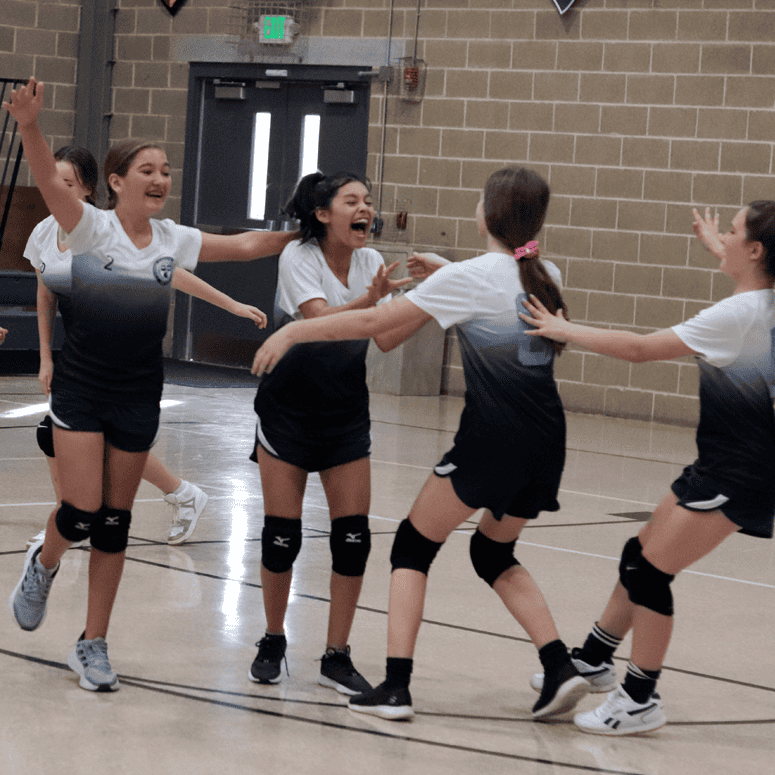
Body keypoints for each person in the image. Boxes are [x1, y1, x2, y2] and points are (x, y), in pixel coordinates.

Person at [252, 165, 589, 721]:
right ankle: (559, 667)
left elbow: (373, 329)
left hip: (490, 439)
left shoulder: (467, 279)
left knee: (411, 546)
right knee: (492, 551)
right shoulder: (547, 274)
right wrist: (446, 274)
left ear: (487, 214)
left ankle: (396, 687)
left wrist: (291, 329)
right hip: (547, 444)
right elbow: (497, 280)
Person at [4, 77, 296, 692]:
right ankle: (44, 561)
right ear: (116, 181)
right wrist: (29, 123)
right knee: (80, 512)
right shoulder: (89, 228)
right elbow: (45, 176)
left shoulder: (173, 240)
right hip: (82, 388)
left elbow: (244, 245)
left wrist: (302, 234)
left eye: (166, 170)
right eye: (147, 169)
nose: (160, 178)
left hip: (139, 391)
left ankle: (93, 644)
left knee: (115, 522)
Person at [518, 202, 775, 735]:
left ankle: (639, 698)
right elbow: (749, 269)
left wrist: (562, 329)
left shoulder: (737, 316)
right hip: (727, 461)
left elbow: (639, 350)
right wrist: (716, 243)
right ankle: (594, 657)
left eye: (731, 232)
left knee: (649, 572)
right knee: (639, 555)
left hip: (738, 471)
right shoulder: (762, 300)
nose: (721, 238)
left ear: (755, 250)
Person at [25, 145, 269, 546]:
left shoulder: (104, 230)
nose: (59, 190)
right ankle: (162, 498)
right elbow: (44, 297)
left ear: (87, 188)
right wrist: (45, 357)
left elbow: (172, 272)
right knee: (63, 435)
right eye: (55, 182)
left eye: (68, 183)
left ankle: (84, 517)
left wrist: (232, 305)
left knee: (84, 437)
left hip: (119, 355)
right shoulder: (44, 232)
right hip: (77, 350)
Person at [247, 171, 412, 695]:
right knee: (282, 538)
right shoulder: (299, 257)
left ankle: (336, 655)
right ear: (323, 214)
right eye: (352, 200)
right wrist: (372, 303)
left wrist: (432, 305)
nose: (365, 208)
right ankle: (273, 638)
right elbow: (319, 325)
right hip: (288, 411)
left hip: (344, 416)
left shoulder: (370, 263)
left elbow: (383, 340)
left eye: (368, 200)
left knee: (353, 540)